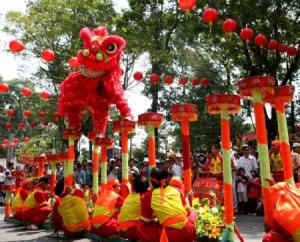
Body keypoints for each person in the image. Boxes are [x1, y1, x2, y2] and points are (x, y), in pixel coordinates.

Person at [137, 167, 196, 242]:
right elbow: (188, 212)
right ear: (167, 179)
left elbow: (145, 220)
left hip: (170, 235)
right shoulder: (176, 190)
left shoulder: (149, 195)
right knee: (193, 212)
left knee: (141, 227)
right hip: (188, 231)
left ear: (151, 181)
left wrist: (156, 219)